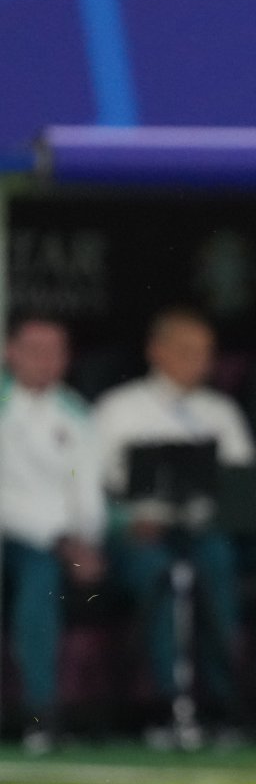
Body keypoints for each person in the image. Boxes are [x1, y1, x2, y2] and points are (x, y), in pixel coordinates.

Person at [94, 306, 256, 729]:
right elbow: (98, 482)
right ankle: (166, 701)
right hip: (139, 533)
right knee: (160, 575)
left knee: (218, 561)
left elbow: (242, 483)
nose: (198, 361)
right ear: (156, 351)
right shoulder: (119, 408)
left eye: (205, 352)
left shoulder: (221, 411)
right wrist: (128, 518)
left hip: (204, 532)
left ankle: (224, 702)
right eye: (186, 350)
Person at [1, 316, 107, 752]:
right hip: (15, 538)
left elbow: (88, 495)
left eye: (55, 352)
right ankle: (38, 711)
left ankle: (43, 715)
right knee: (39, 566)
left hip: (59, 546)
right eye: (35, 350)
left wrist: (86, 542)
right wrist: (59, 538)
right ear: (11, 353)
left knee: (43, 574)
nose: (46, 361)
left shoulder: (76, 412)